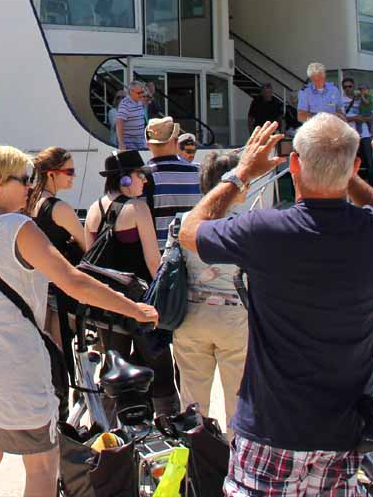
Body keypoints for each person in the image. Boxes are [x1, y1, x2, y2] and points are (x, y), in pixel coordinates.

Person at [178, 116, 373, 495]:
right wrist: (345, 175)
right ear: (355, 167)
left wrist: (241, 173)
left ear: (295, 165)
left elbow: (190, 230)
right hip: (344, 431)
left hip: (272, 428)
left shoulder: (264, 231)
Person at [0, 144, 158, 497]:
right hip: (15, 368)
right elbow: (74, 281)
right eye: (24, 180)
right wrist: (133, 308)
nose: (30, 186)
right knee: (41, 465)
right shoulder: (19, 227)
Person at [85, 150, 179, 417]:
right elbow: (153, 261)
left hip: (107, 305)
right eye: (140, 175)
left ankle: (111, 429)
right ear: (125, 180)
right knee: (160, 369)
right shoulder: (137, 208)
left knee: (115, 369)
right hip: (140, 302)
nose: (145, 181)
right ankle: (167, 423)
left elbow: (90, 261)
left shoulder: (94, 210)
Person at [170, 150, 247, 434]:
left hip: (190, 315)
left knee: (191, 402)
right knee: (238, 402)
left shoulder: (183, 221)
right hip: (233, 317)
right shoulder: (243, 223)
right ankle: (235, 464)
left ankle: (193, 464)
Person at [26, 147, 88, 344]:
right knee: (59, 348)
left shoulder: (27, 202)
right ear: (51, 174)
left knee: (39, 344)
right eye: (69, 172)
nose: (74, 176)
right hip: (57, 285)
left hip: (30, 282)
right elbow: (87, 244)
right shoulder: (58, 208)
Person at [144, 117, 201, 248]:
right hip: (192, 251)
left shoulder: (142, 177)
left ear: (148, 144)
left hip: (158, 256)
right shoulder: (198, 172)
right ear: (176, 142)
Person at [340, 78, 373, 184]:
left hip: (364, 133)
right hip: (349, 134)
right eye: (345, 87)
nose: (347, 89)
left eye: (350, 86)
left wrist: (363, 119)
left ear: (354, 87)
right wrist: (355, 118)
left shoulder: (361, 98)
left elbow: (371, 115)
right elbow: (340, 118)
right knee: (350, 162)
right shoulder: (340, 100)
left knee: (369, 162)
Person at [115, 80, 149, 151]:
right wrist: (121, 143)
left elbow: (149, 97)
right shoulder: (125, 104)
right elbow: (119, 123)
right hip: (129, 145)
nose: (141, 95)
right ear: (131, 92)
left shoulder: (139, 101)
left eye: (142, 92)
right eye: (139, 93)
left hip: (140, 143)